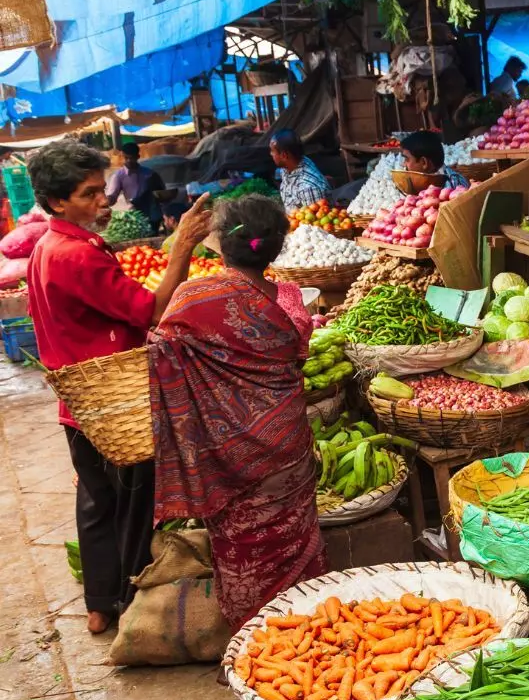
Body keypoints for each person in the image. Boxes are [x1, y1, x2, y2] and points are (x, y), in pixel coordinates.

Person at [25, 140, 212, 634]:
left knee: (95, 501)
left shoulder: (47, 246)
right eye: (89, 194)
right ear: (57, 201)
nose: (104, 201)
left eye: (101, 189)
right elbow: (152, 311)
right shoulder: (78, 256)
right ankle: (133, 604)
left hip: (79, 406)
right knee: (133, 502)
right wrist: (184, 243)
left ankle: (100, 604)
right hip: (117, 403)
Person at [148, 194, 326, 628]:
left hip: (228, 456)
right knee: (296, 539)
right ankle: (309, 631)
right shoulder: (289, 298)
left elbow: (161, 342)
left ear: (219, 245)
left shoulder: (192, 297)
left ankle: (252, 642)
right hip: (287, 446)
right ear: (277, 247)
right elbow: (298, 351)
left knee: (239, 546)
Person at [104, 142, 166, 233]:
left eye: (132, 158)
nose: (129, 161)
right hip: (135, 217)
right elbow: (112, 197)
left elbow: (162, 193)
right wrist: (105, 202)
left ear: (138, 157)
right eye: (126, 158)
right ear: (122, 157)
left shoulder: (150, 174)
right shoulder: (119, 176)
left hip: (153, 216)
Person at [268, 130, 328, 213]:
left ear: (284, 156)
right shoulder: (289, 166)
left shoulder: (307, 188)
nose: (271, 154)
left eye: (272, 151)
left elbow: (313, 223)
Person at [400, 130, 466, 189]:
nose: (403, 164)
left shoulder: (454, 184)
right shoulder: (423, 184)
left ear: (424, 162)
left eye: (407, 159)